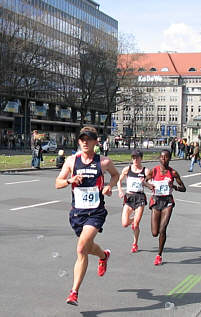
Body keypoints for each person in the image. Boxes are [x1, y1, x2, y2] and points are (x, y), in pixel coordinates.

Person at [55, 126, 119, 306]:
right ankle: (104, 256)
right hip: (77, 213)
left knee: (81, 248)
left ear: (95, 142)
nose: (85, 142)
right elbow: (58, 183)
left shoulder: (103, 162)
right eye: (82, 139)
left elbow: (115, 175)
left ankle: (74, 292)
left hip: (96, 212)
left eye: (89, 139)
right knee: (87, 247)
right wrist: (69, 180)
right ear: (78, 141)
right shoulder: (71, 161)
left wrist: (109, 186)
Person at [145, 149, 186, 265]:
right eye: (162, 157)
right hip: (156, 201)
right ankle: (159, 246)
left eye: (166, 157)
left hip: (168, 201)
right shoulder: (154, 171)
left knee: (163, 229)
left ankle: (159, 255)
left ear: (170, 158)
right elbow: (144, 181)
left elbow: (184, 188)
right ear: (159, 158)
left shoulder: (173, 173)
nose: (164, 159)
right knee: (154, 232)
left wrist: (174, 186)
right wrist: (149, 185)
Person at [117, 149, 152, 253]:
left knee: (136, 224)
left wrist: (145, 183)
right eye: (133, 157)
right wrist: (120, 190)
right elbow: (119, 181)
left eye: (137, 157)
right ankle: (134, 219)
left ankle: (135, 243)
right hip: (129, 197)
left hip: (140, 197)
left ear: (141, 158)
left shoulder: (146, 171)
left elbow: (151, 186)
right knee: (124, 223)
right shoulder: (127, 169)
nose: (135, 160)